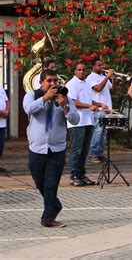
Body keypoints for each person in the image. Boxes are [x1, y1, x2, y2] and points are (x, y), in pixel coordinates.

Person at [23, 69, 80, 227]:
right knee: (40, 183)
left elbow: (75, 120)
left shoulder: (64, 98)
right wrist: (45, 98)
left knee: (51, 184)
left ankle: (48, 218)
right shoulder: (32, 95)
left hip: (56, 149)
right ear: (41, 82)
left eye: (55, 81)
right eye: (49, 81)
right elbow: (28, 109)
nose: (53, 84)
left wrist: (65, 107)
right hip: (37, 148)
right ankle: (55, 205)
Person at [66, 63, 107, 187]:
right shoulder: (72, 84)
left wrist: (99, 104)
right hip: (77, 122)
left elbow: (88, 100)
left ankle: (81, 174)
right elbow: (73, 101)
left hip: (88, 120)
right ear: (75, 71)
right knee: (77, 150)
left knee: (84, 151)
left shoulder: (87, 83)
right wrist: (89, 106)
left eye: (84, 70)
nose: (82, 72)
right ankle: (74, 176)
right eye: (79, 70)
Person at [87, 59, 113, 163]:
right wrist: (107, 76)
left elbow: (111, 90)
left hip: (107, 108)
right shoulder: (90, 77)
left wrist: (113, 78)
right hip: (98, 108)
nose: (101, 66)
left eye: (102, 64)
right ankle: (93, 154)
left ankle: (99, 153)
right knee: (98, 131)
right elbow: (98, 88)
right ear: (93, 66)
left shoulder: (103, 77)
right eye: (99, 65)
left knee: (104, 132)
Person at [0, 84, 9, 173]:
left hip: (2, 123)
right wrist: (1, 113)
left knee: (0, 145)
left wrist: (7, 111)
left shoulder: (0, 86)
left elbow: (6, 101)